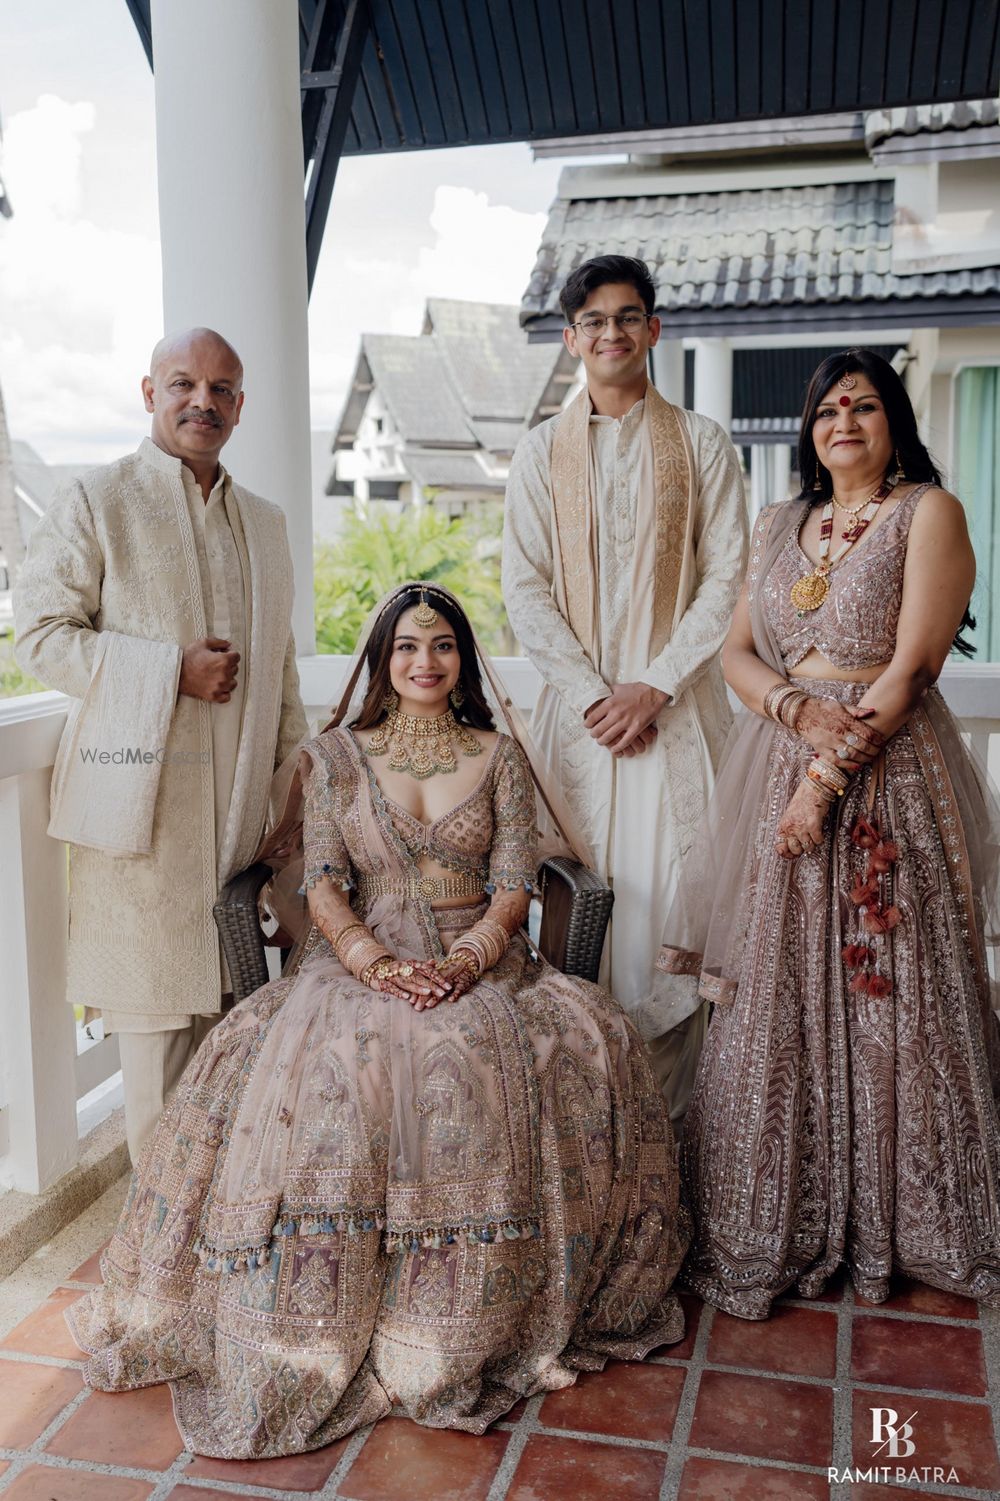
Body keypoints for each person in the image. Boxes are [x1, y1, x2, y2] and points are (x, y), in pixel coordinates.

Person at [66, 582, 688, 1459]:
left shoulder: (500, 754)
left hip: (483, 957)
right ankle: (324, 1317)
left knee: (567, 1040)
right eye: (406, 647)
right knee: (316, 1072)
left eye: (442, 646)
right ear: (383, 659)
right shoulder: (336, 757)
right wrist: (375, 963)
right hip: (359, 959)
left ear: (463, 658)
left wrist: (468, 961)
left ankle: (466, 1317)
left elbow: (515, 883)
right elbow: (321, 881)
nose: (425, 662)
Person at [660, 347, 1000, 1317]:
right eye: (824, 411)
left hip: (883, 770)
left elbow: (915, 664)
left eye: (862, 405)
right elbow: (732, 652)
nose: (842, 421)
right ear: (807, 434)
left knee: (891, 983)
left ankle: (912, 1222)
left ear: (893, 419)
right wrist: (790, 713)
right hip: (783, 750)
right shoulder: (779, 522)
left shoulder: (925, 513)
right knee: (778, 985)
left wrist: (824, 773)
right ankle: (787, 1210)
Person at [14, 328, 306, 1162]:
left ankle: (215, 1250)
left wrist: (292, 808)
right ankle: (155, 1266)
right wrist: (167, 672)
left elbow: (280, 675)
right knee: (155, 1053)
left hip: (240, 835)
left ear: (240, 407)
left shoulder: (266, 522)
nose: (201, 402)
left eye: (220, 389)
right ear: (150, 393)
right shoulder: (97, 500)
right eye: (182, 384)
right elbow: (36, 634)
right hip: (143, 835)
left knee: (231, 1054)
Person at [502, 254, 747, 1118]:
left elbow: (728, 577)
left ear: (654, 328)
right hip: (582, 727)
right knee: (583, 912)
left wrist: (654, 686)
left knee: (679, 912)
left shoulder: (703, 443)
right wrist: (594, 692)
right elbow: (523, 588)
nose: (612, 332)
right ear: (571, 337)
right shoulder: (540, 453)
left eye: (628, 316)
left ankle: (682, 1157)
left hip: (677, 722)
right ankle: (595, 1146)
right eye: (594, 319)